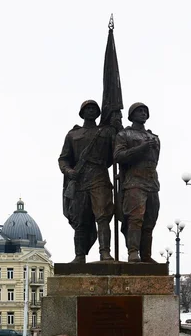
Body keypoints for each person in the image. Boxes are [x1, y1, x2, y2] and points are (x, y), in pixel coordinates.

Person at [58, 100, 118, 263]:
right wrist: (69, 171)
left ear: (99, 113)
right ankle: (80, 255)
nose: (91, 111)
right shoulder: (73, 135)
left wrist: (116, 122)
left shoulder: (106, 133)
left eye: (94, 108)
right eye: (88, 108)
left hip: (100, 177)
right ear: (82, 112)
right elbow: (63, 159)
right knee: (80, 219)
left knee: (103, 216)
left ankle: (105, 252)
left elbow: (118, 152)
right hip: (79, 180)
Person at [113, 102, 160, 263]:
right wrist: (142, 148)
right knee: (135, 218)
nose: (143, 113)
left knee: (150, 220)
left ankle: (146, 254)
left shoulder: (155, 137)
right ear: (131, 115)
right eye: (139, 111)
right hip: (134, 182)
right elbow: (119, 156)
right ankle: (133, 252)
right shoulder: (124, 135)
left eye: (145, 111)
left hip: (152, 183)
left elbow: (155, 161)